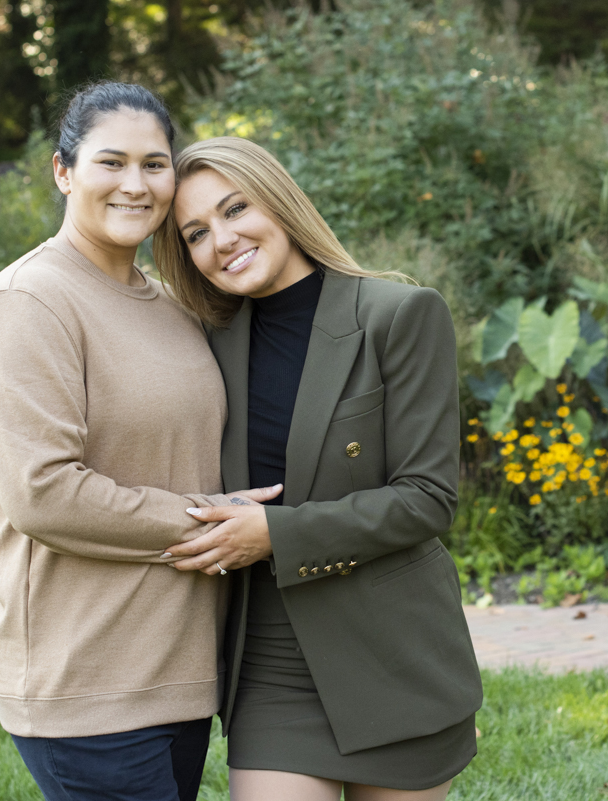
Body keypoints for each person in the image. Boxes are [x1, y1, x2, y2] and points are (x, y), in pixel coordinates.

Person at [0, 86, 279, 801]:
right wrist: (215, 524)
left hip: (178, 671)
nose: (136, 185)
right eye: (112, 161)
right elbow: (42, 492)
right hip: (86, 679)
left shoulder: (172, 303)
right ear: (63, 171)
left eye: (155, 164)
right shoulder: (30, 301)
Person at [153, 137, 483, 800]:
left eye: (235, 208)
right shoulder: (204, 345)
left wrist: (277, 533)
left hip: (394, 655)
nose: (222, 238)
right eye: (195, 232)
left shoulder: (399, 315)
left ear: (278, 200)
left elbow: (427, 498)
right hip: (270, 661)